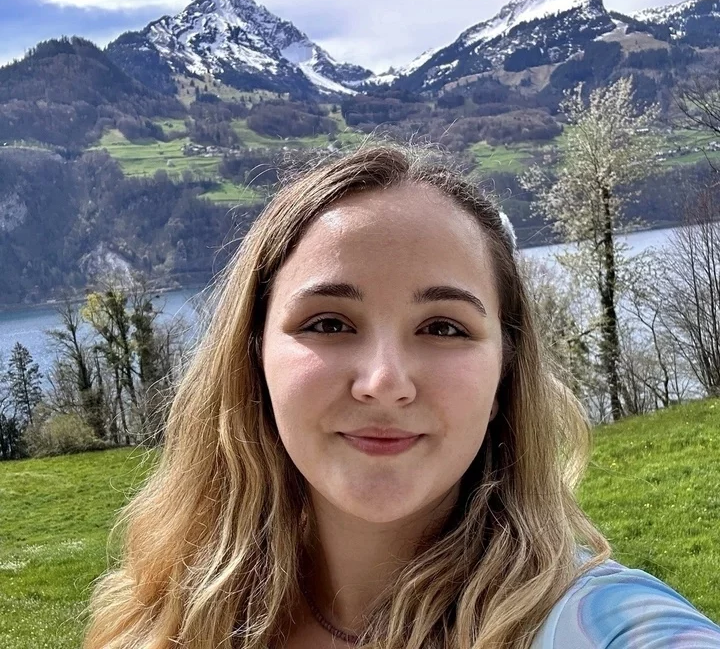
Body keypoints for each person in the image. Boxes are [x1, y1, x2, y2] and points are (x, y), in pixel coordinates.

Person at [83, 144, 720, 649]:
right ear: (253, 360)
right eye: (329, 323)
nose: (384, 381)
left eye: (443, 328)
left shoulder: (596, 624)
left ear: (505, 373)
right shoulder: (166, 619)